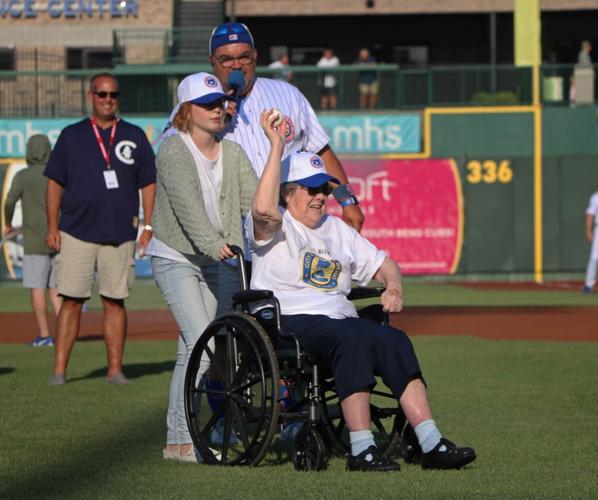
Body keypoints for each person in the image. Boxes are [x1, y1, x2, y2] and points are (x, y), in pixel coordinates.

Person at [245, 109, 477, 472]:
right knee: (350, 337)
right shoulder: (275, 226)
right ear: (288, 194)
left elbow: (385, 263)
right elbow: (263, 210)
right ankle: (361, 448)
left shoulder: (337, 229)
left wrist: (395, 286)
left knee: (393, 339)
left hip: (337, 318)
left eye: (325, 188)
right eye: (312, 189)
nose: (321, 196)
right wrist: (277, 145)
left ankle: (431, 441)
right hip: (286, 319)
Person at [147, 72, 258, 463]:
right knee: (203, 347)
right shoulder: (172, 151)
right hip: (176, 256)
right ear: (186, 111)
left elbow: (255, 205)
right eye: (206, 104)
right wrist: (218, 246)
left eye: (219, 103)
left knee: (191, 351)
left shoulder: (234, 153)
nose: (217, 109)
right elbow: (188, 212)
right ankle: (183, 439)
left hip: (217, 258)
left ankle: (178, 441)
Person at [44, 73, 156, 385]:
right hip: (76, 231)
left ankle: (115, 370)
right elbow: (54, 184)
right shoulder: (71, 135)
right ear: (91, 95)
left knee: (115, 301)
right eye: (102, 94)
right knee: (71, 301)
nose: (108, 100)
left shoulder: (133, 135)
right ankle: (59, 371)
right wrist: (52, 225)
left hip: (120, 233)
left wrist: (148, 225)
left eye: (113, 95)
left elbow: (148, 183)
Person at [207, 22, 364, 232]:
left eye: (244, 56)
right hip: (231, 225)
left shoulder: (288, 94)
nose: (236, 65)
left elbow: (321, 150)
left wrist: (347, 200)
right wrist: (213, 122)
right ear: (212, 62)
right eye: (226, 59)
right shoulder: (196, 107)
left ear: (255, 56)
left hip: (290, 223)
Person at [4, 134, 62, 347]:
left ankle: (45, 335)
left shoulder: (23, 176)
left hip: (34, 240)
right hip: (58, 239)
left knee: (37, 288)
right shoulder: (57, 174)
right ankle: (64, 335)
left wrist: (8, 223)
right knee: (56, 289)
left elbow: (9, 201)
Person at [583, 191, 598, 293]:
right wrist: (588, 231)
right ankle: (589, 284)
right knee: (595, 257)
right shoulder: (596, 197)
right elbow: (590, 214)